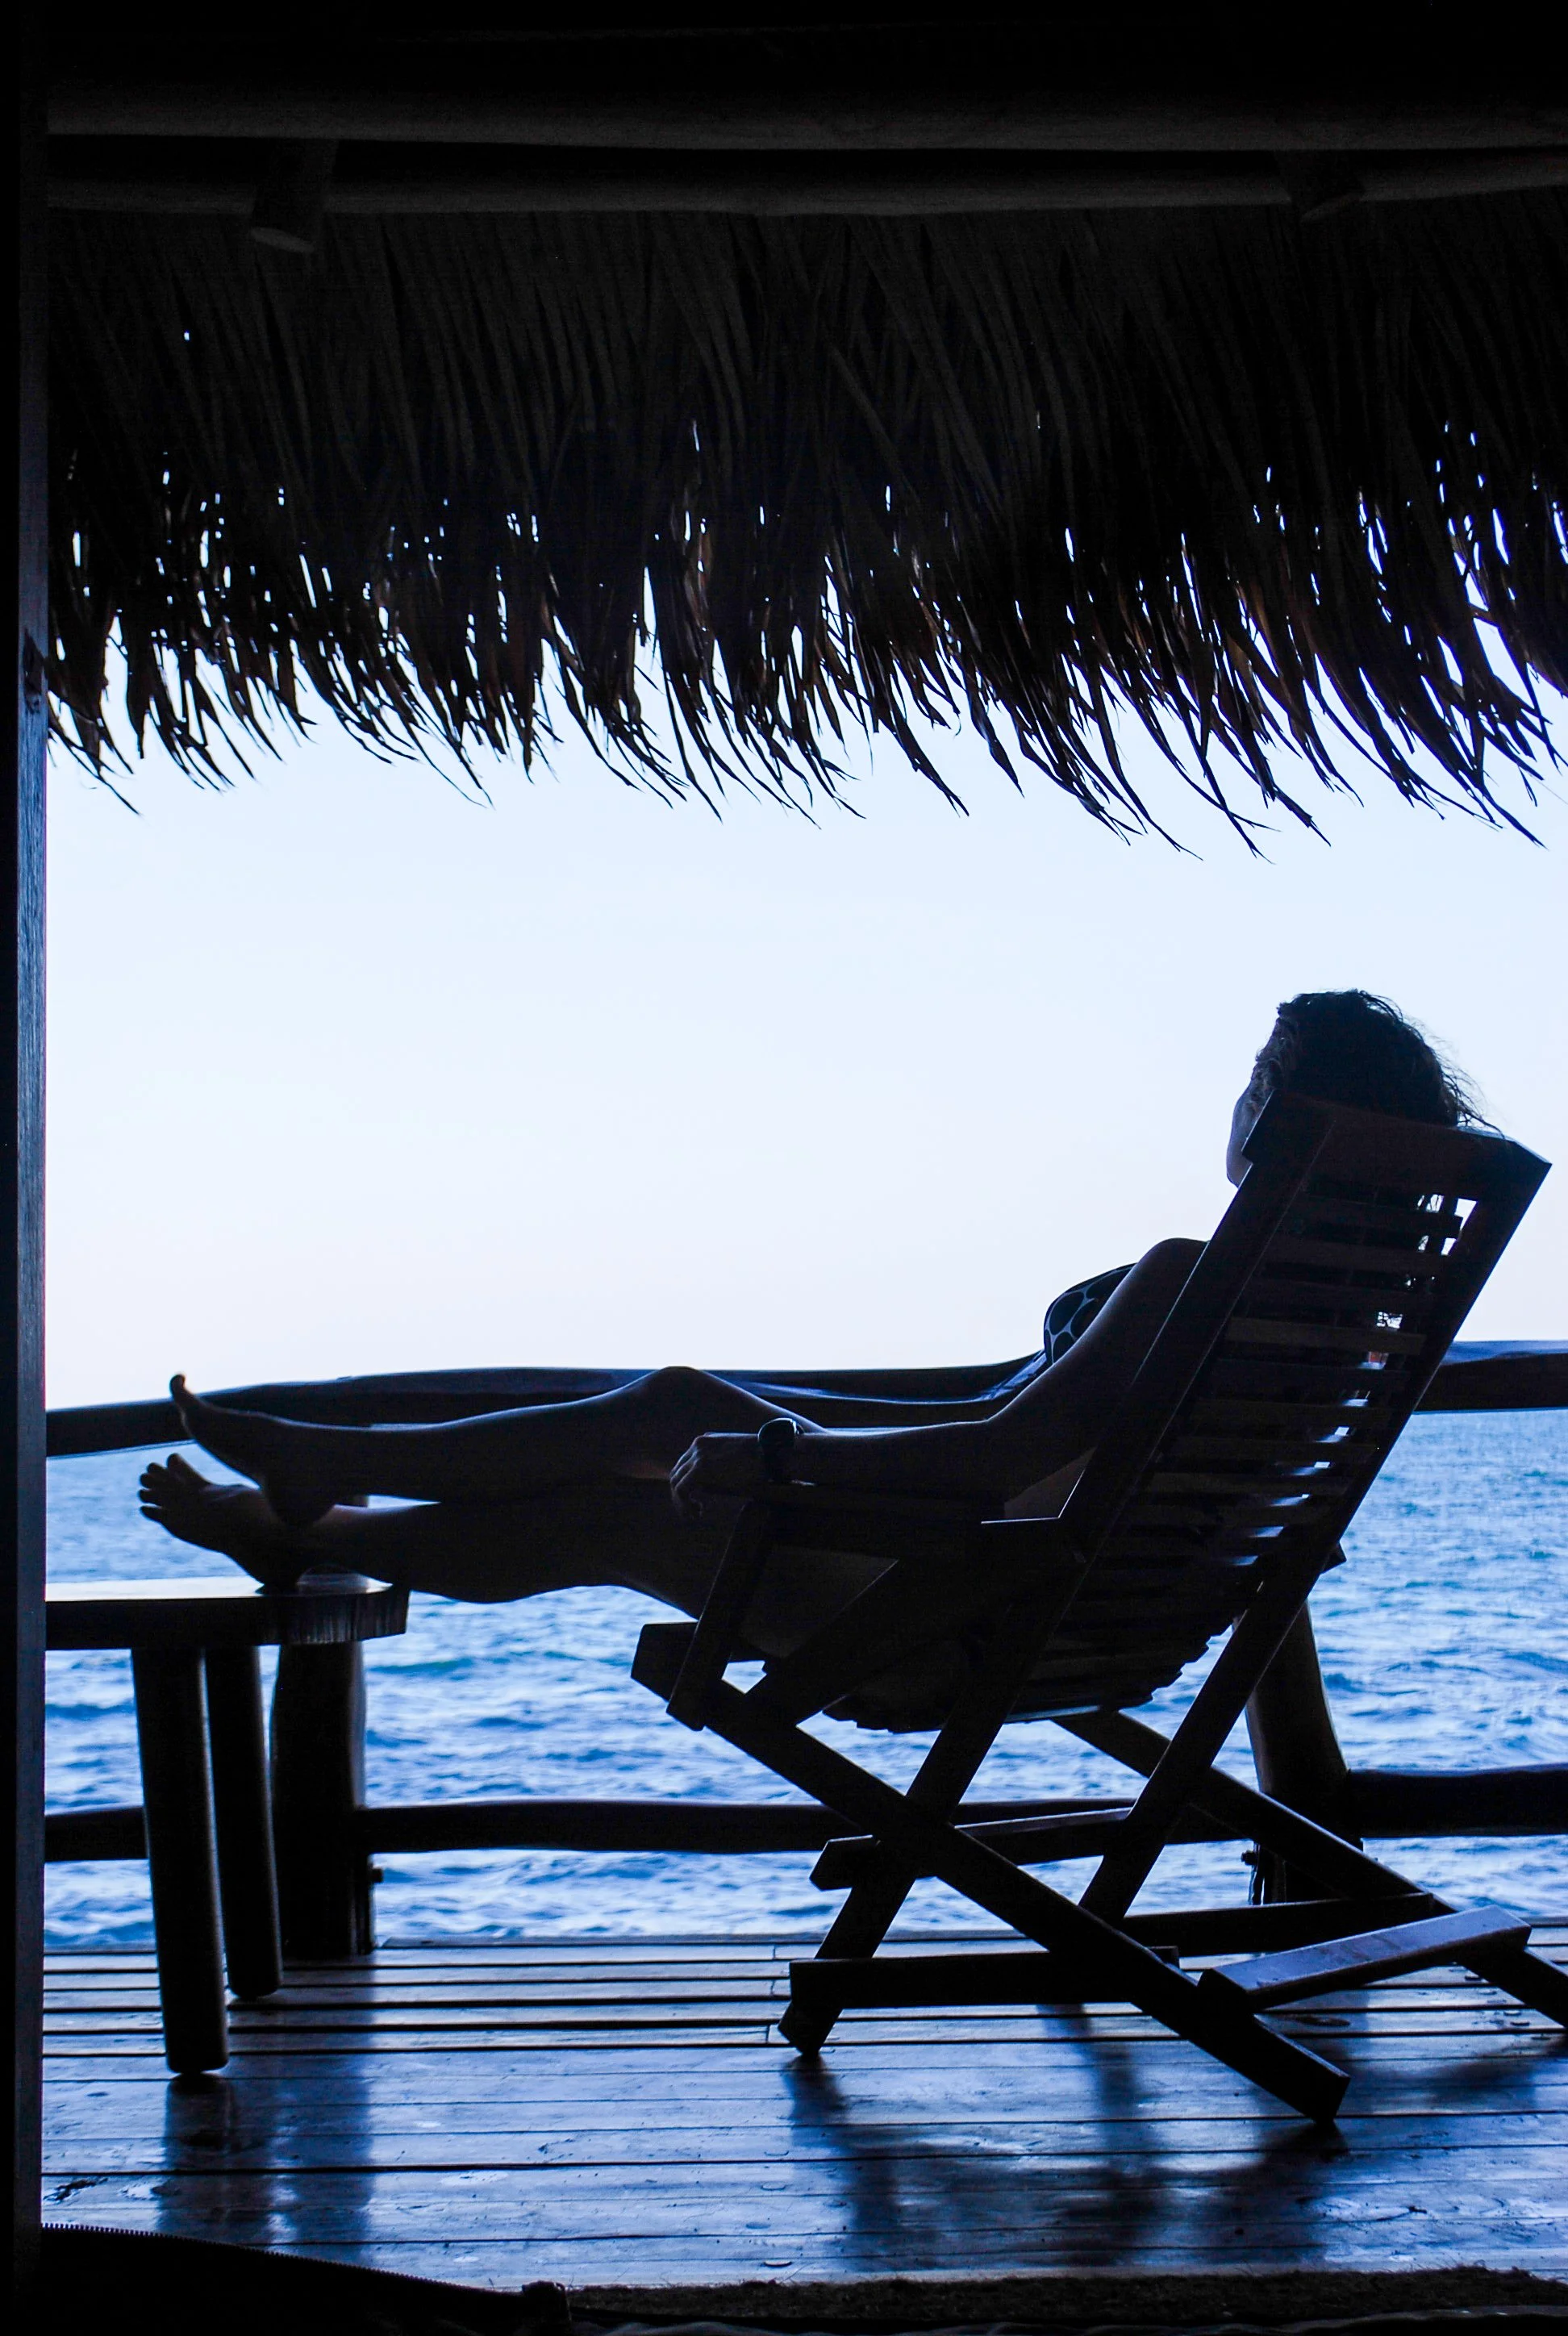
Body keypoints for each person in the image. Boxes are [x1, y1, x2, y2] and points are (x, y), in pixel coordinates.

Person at [140, 991, 1478, 1658]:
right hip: (1090, 1599)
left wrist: (784, 1459)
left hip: (963, 1600)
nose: (1239, 1097)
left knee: (620, 1496)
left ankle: (318, 1497)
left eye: (1262, 1075)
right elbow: (1022, 1442)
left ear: (1298, 1119)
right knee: (669, 1406)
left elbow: (998, 1458)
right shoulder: (1347, 1320)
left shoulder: (1198, 1276)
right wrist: (788, 1436)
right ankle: (318, 1493)